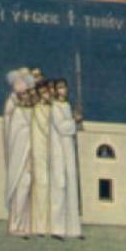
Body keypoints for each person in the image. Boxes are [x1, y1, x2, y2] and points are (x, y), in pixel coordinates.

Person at [47, 79, 83, 238]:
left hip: (68, 148)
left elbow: (71, 128)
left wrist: (76, 121)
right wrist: (74, 121)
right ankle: (57, 229)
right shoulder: (54, 107)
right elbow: (62, 127)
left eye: (64, 87)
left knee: (71, 186)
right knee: (59, 186)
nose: (63, 90)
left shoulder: (66, 105)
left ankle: (74, 229)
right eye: (60, 87)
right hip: (58, 150)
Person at [3, 69, 36, 237]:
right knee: (20, 190)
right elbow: (16, 132)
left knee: (29, 191)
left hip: (31, 156)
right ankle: (15, 225)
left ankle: (26, 225)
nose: (26, 97)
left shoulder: (31, 109)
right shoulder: (14, 109)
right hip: (21, 156)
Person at [29, 78, 55, 237]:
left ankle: (50, 225)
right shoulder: (39, 109)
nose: (47, 94)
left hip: (51, 153)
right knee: (41, 187)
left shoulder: (52, 108)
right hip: (41, 153)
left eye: (48, 91)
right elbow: (47, 129)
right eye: (43, 92)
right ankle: (39, 226)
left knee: (51, 188)